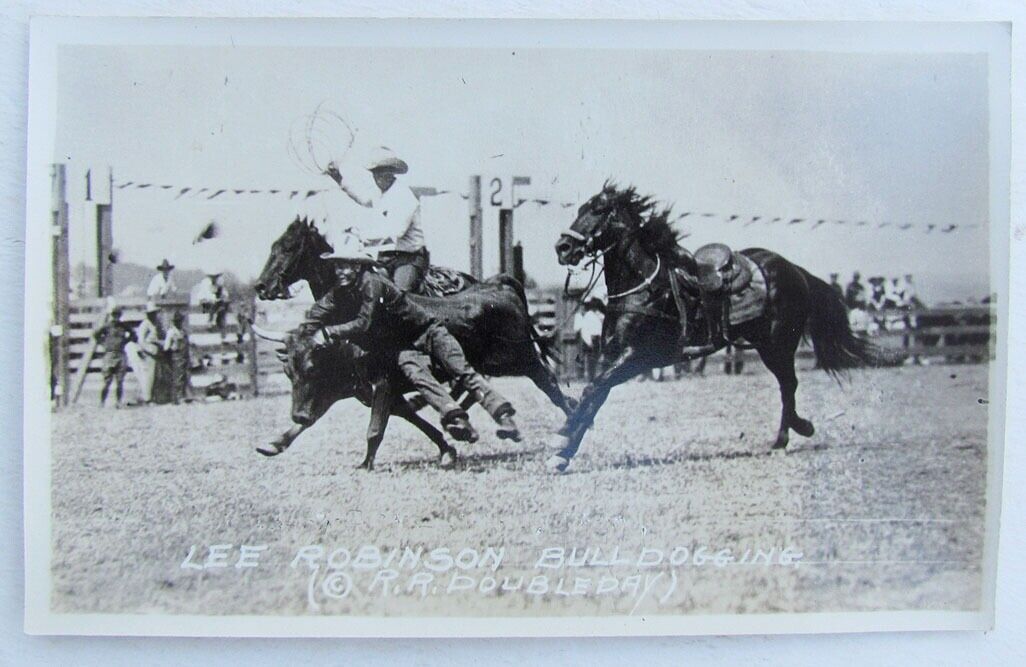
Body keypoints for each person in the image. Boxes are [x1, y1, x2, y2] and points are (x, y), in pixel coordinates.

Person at [299, 239, 520, 443]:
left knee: (462, 371)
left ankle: (504, 417)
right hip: (405, 345)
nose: (340, 272)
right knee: (420, 378)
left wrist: (330, 332)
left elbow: (364, 322)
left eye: (345, 266)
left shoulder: (373, 283)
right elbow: (319, 310)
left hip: (430, 332)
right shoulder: (341, 291)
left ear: (357, 266)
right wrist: (301, 336)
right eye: (337, 266)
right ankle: (455, 417)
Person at [324, 147, 429, 292]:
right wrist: (338, 178)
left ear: (390, 174)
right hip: (386, 257)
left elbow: (395, 232)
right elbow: (363, 198)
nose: (376, 178)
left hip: (409, 258)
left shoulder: (405, 197)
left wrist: (359, 234)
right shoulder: (380, 192)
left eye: (380, 173)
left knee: (398, 295)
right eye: (375, 173)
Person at [92, 306, 134, 408]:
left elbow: (133, 334)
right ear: (112, 315)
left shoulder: (123, 326)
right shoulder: (107, 326)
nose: (116, 317)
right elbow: (95, 334)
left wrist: (125, 341)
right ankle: (102, 402)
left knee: (120, 381)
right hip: (109, 354)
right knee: (107, 381)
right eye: (114, 315)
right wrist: (103, 343)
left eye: (118, 315)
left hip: (120, 354)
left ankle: (118, 402)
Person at [573, 297, 605, 381]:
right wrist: (588, 341)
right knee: (585, 359)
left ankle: (592, 377)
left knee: (593, 360)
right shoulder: (583, 315)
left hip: (595, 339)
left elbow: (598, 329)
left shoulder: (594, 315)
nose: (584, 307)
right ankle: (584, 377)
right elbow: (581, 329)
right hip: (587, 339)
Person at [163, 310, 191, 404]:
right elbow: (166, 347)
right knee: (177, 378)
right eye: (177, 321)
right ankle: (177, 398)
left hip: (184, 356)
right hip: (176, 356)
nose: (179, 322)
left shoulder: (183, 332)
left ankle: (184, 395)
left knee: (185, 377)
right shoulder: (171, 332)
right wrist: (173, 348)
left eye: (180, 320)